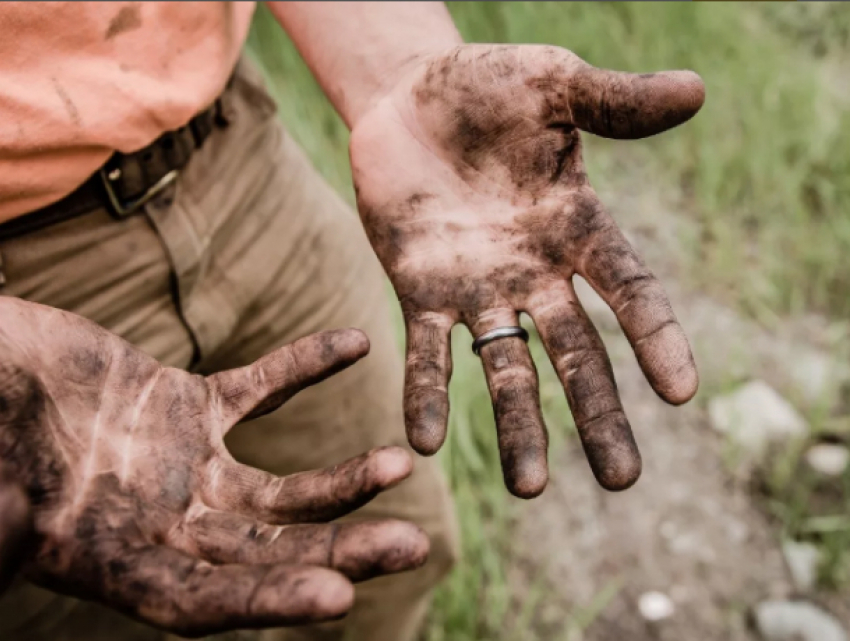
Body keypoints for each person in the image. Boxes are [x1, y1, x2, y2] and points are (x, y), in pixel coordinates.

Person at [0, 2, 704, 639]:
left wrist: (399, 66)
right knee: (87, 608)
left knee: (389, 558)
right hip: (24, 292)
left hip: (235, 157)